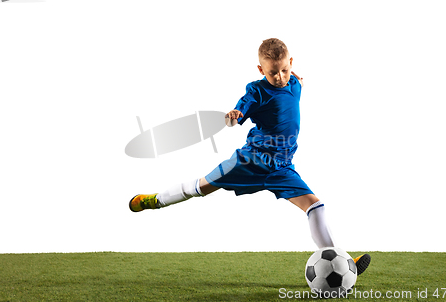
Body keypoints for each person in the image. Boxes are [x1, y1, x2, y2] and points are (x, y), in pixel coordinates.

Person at [129, 38, 370, 274]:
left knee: (315, 206)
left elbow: (295, 86)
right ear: (260, 69)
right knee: (201, 188)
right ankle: (155, 200)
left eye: (285, 70)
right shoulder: (257, 90)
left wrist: (299, 80)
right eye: (273, 72)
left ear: (291, 63)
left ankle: (343, 263)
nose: (280, 77)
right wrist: (234, 115)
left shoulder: (294, 83)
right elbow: (241, 110)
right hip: (250, 161)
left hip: (282, 167)